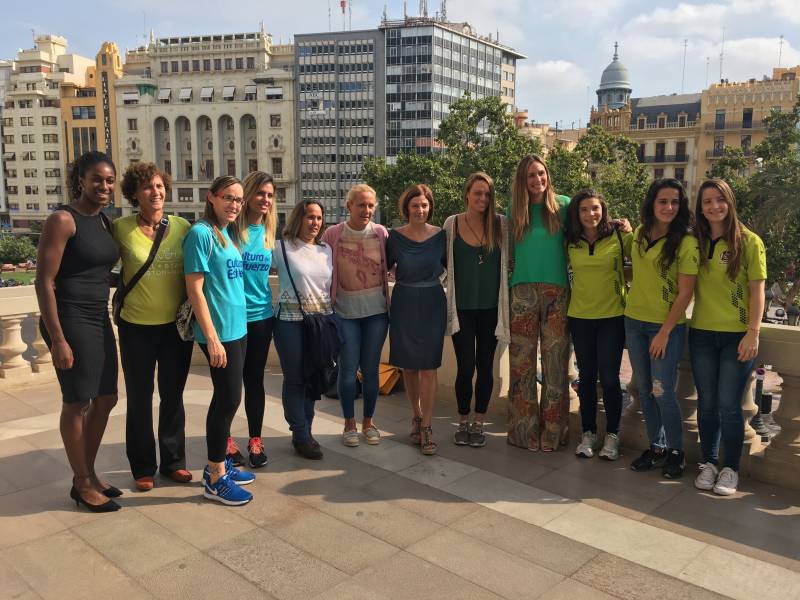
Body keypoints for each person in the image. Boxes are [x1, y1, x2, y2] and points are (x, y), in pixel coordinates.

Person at [35, 151, 121, 512]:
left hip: (98, 318)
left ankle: (87, 472)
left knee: (106, 398)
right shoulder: (63, 220)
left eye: (109, 180)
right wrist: (57, 339)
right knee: (77, 401)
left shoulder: (103, 221)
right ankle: (82, 482)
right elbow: (44, 281)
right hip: (69, 318)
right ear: (81, 180)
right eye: (96, 179)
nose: (103, 186)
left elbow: (100, 272)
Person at [114, 162, 193, 491]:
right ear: (135, 193)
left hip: (175, 329)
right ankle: (143, 466)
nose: (156, 192)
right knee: (140, 397)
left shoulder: (182, 226)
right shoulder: (119, 228)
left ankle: (174, 462)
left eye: (160, 186)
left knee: (173, 396)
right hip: (136, 328)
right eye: (148, 187)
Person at [690, 178, 766, 496]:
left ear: (729, 202)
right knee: (706, 404)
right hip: (702, 333)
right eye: (707, 201)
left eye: (719, 200)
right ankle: (708, 463)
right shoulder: (694, 240)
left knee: (730, 406)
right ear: (700, 207)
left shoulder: (748, 242)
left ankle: (730, 468)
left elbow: (756, 290)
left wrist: (753, 332)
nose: (714, 207)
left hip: (736, 336)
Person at [184, 175, 255, 506]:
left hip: (237, 328)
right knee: (226, 399)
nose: (234, 205)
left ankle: (221, 464)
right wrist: (211, 338)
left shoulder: (227, 234)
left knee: (231, 397)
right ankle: (214, 476)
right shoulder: (200, 234)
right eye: (228, 197)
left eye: (239, 200)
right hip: (219, 333)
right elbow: (195, 289)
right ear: (211, 197)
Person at [626, 178, 698, 479]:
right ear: (651, 204)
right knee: (644, 389)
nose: (669, 207)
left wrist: (665, 331)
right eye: (662, 201)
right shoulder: (640, 234)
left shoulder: (686, 242)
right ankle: (656, 447)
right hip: (633, 320)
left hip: (664, 327)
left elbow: (686, 293)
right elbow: (631, 268)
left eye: (674, 202)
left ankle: (676, 452)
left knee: (662, 391)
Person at [507, 155, 571, 452]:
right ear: (523, 180)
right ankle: (524, 431)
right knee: (522, 367)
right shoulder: (514, 210)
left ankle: (553, 431)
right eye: (531, 175)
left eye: (541, 173)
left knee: (556, 364)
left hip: (557, 293)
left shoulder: (564, 206)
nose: (537, 180)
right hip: (521, 293)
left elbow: (592, 226)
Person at [443, 172, 510, 448]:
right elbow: (441, 263)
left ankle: (479, 422)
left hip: (492, 311)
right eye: (477, 193)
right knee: (465, 367)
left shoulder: (501, 225)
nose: (482, 198)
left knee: (485, 368)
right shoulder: (452, 224)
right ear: (467, 194)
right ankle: (462, 420)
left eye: (487, 194)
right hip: (462, 310)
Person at [565, 189, 632, 460]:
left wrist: (630, 227)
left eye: (595, 208)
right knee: (587, 379)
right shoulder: (570, 241)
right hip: (580, 317)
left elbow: (645, 255)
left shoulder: (618, 236)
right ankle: (588, 433)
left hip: (612, 317)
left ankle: (613, 436)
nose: (590, 214)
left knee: (610, 379)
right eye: (584, 210)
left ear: (603, 210)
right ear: (576, 214)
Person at [321, 184, 390, 447]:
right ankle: (349, 423)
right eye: (361, 204)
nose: (366, 210)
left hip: (377, 313)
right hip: (345, 313)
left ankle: (368, 423)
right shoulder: (333, 234)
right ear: (348, 206)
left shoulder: (381, 233)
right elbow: (321, 267)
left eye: (371, 205)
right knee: (348, 372)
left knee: (371, 371)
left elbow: (391, 266)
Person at [386, 184, 447, 455]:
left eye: (424, 205)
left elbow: (450, 267)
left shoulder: (442, 236)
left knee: (429, 367)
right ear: (406, 208)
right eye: (415, 206)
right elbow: (381, 268)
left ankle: (428, 427)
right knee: (409, 367)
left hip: (433, 302)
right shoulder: (393, 237)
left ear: (430, 207)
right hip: (404, 302)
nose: (420, 210)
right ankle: (416, 415)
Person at [273, 200, 334, 460]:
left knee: (313, 377)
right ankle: (300, 434)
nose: (315, 223)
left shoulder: (326, 249)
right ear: (298, 218)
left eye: (319, 218)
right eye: (310, 217)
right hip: (289, 321)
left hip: (320, 322)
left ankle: (306, 430)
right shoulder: (281, 247)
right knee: (296, 378)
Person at [226, 171, 278, 468]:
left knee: (254, 382)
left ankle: (255, 440)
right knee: (230, 385)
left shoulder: (271, 233)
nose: (265, 200)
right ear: (247, 195)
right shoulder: (232, 230)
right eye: (260, 193)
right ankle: (225, 439)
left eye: (270, 195)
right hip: (233, 318)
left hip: (262, 317)